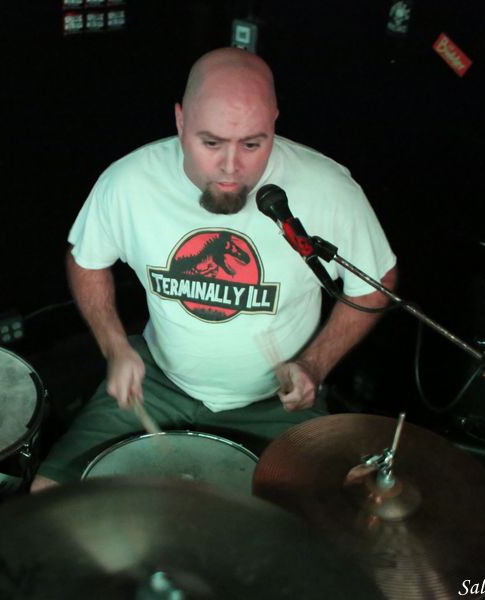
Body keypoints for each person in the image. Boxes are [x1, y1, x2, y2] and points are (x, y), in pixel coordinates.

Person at [31, 47, 398, 491]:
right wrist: (114, 347)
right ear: (180, 121)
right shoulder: (129, 182)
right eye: (211, 143)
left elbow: (374, 283)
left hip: (275, 401)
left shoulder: (328, 189)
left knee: (312, 518)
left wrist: (315, 365)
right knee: (48, 494)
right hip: (157, 382)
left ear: (274, 122)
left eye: (252, 144)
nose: (230, 167)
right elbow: (86, 259)